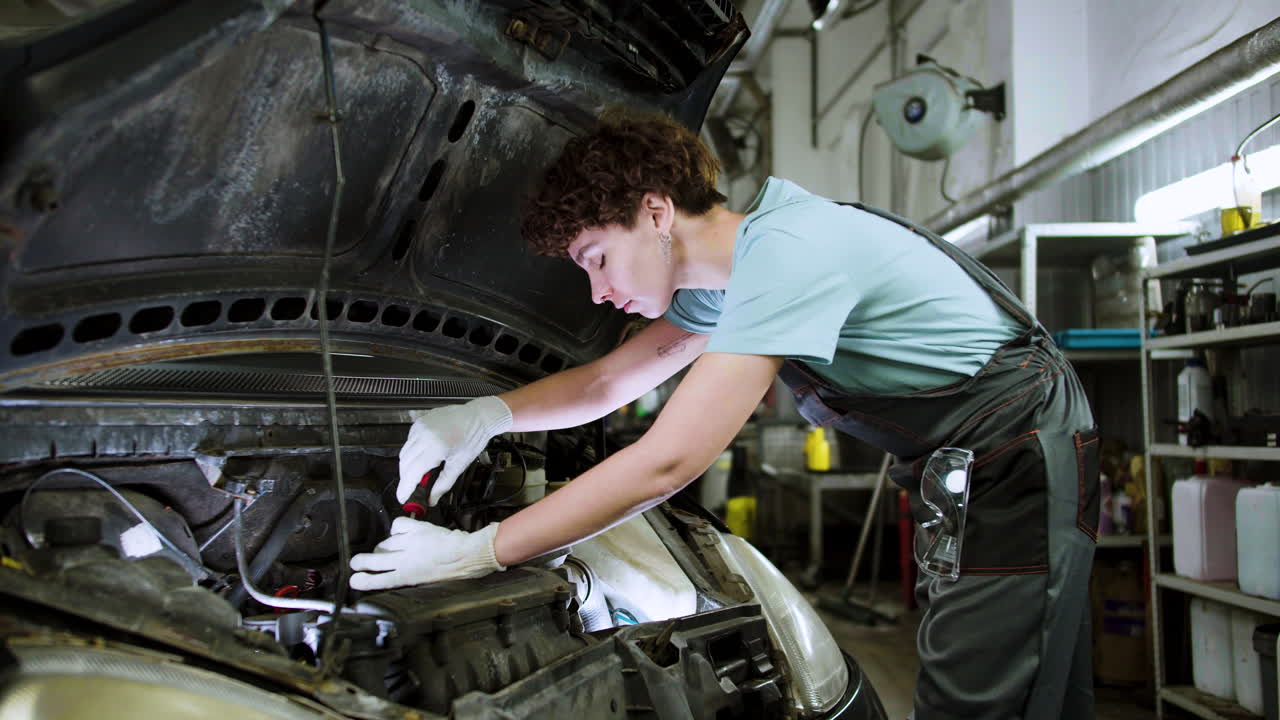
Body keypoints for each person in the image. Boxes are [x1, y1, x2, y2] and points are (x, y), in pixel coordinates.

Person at [349, 110, 1099, 720]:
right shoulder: (719, 285)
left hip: (1021, 450)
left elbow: (669, 461)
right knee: (1039, 684)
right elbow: (610, 380)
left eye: (597, 258)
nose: (596, 292)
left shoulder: (789, 252)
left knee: (980, 698)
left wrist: (483, 550)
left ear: (655, 211)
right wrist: (483, 415)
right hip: (969, 465)